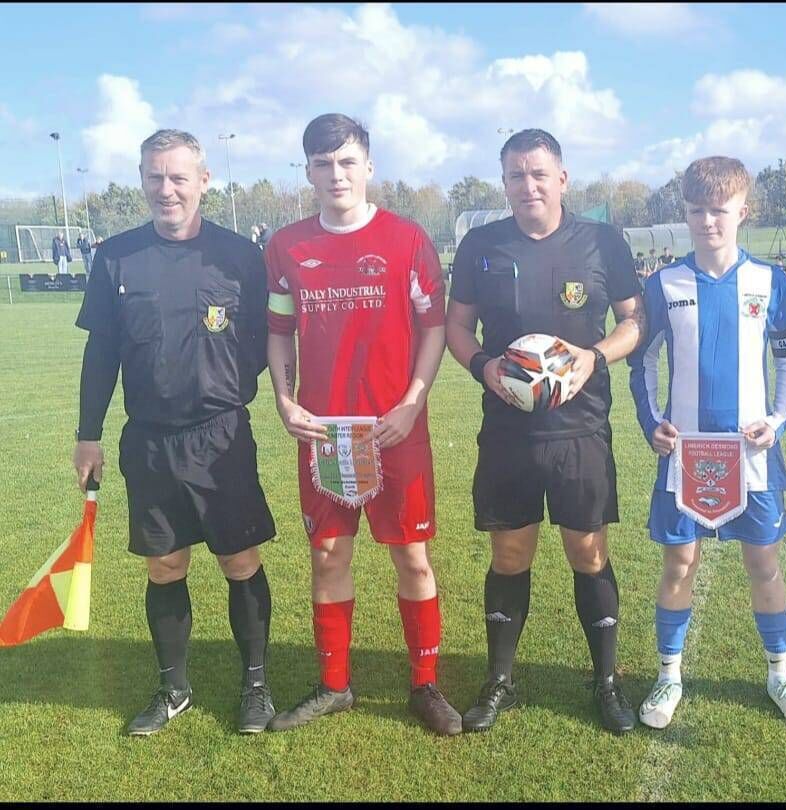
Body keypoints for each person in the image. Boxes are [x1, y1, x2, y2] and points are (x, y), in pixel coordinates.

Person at [72, 129, 277, 736]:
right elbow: (101, 352)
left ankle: (256, 686)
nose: (167, 189)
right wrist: (88, 433)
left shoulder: (239, 256)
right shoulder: (117, 257)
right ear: (142, 179)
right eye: (155, 177)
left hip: (221, 436)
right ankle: (173, 688)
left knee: (239, 558)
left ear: (203, 181)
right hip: (150, 440)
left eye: (178, 177)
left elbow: (266, 342)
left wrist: (226, 384)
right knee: (164, 566)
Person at [263, 114, 461, 736]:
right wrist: (285, 401)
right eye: (323, 164)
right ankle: (334, 685)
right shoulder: (286, 247)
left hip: (395, 429)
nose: (336, 174)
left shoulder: (407, 240)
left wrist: (412, 402)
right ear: (308, 172)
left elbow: (433, 328)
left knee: (412, 557)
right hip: (323, 434)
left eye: (347, 161)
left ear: (369, 166)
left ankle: (425, 685)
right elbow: (279, 332)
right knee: (327, 555)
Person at [446, 128, 645, 735]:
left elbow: (635, 322)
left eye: (538, 173)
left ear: (562, 178)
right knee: (510, 554)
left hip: (581, 429)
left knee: (588, 553)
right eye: (515, 175)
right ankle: (499, 680)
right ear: (504, 182)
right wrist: (484, 367)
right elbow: (457, 328)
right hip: (508, 431)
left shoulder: (602, 242)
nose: (527, 185)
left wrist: (594, 356)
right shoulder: (480, 245)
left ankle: (606, 681)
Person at [628, 156, 786, 729]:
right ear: (684, 213)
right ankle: (668, 676)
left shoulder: (770, 282)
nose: (707, 221)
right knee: (680, 562)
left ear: (743, 212)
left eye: (719, 210)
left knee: (764, 562)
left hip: (752, 455)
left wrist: (776, 421)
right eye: (696, 211)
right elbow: (643, 362)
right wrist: (653, 422)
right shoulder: (664, 284)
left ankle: (780, 673)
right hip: (684, 454)